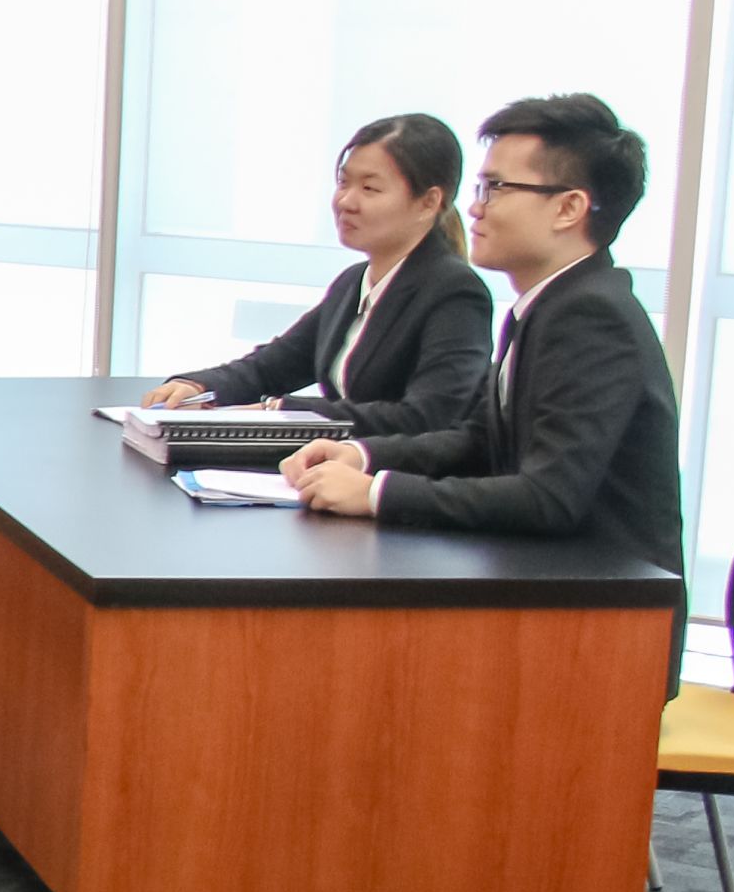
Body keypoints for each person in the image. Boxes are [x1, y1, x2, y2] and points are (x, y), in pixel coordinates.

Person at [282, 92, 687, 673]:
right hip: (553, 599)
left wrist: (376, 494)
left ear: (569, 207)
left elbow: (549, 496)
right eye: (480, 187)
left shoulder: (591, 317)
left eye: (498, 188)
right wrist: (361, 454)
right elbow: (477, 440)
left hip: (604, 636)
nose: (474, 209)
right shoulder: (545, 305)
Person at [141, 112, 489, 433]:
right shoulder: (354, 283)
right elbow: (272, 367)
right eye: (343, 183)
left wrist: (284, 411)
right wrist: (199, 387)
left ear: (428, 202)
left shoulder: (454, 291)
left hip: (394, 488)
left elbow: (428, 417)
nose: (346, 201)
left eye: (369, 188)